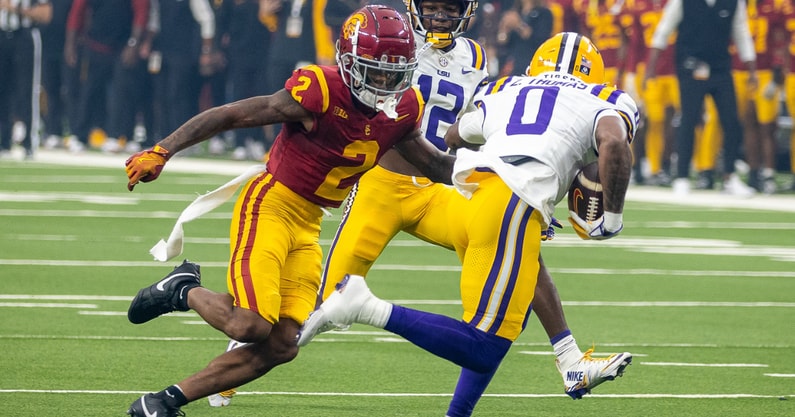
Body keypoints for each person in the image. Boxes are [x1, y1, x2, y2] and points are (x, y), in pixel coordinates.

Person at [122, 5, 455, 416]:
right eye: (375, 70)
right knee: (250, 325)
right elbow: (231, 114)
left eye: (393, 72)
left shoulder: (402, 108)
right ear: (348, 60)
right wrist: (163, 149)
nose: (385, 81)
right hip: (270, 205)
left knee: (282, 344)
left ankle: (163, 402)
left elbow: (437, 165)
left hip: (310, 223)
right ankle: (182, 289)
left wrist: (507, 182)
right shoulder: (320, 89)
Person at [299, 32, 636, 416]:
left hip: (476, 192)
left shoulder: (510, 86)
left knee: (515, 306)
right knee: (483, 343)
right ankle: (367, 307)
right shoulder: (606, 97)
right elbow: (613, 142)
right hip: (510, 201)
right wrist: (610, 218)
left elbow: (455, 135)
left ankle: (565, 362)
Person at [645, 0, 757, 197]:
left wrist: (751, 70)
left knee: (731, 121)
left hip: (721, 67)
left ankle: (729, 176)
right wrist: (650, 68)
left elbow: (742, 33)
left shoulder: (733, 3)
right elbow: (664, 30)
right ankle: (682, 177)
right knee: (689, 119)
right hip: (691, 66)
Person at [0, 0, 52, 159]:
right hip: (2, 36)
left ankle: (29, 142)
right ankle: (4, 141)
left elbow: (46, 14)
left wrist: (15, 9)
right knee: (2, 90)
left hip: (24, 36)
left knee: (27, 90)